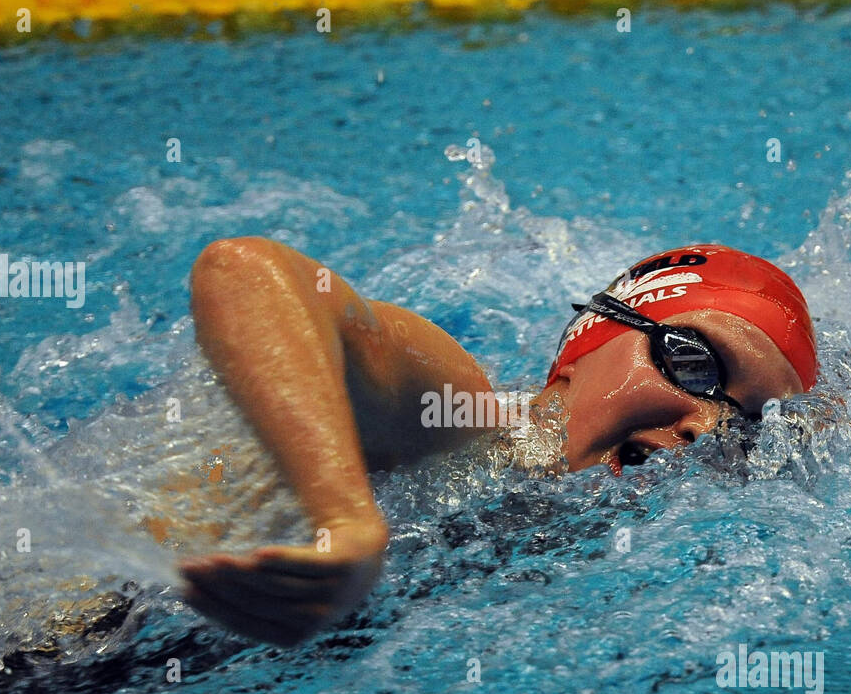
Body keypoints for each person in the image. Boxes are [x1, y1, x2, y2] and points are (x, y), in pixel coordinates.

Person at [179, 238, 818, 646]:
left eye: (748, 427)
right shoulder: (461, 416)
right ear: (586, 348)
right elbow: (244, 272)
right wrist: (343, 521)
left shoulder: (595, 556)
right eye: (695, 364)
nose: (708, 425)